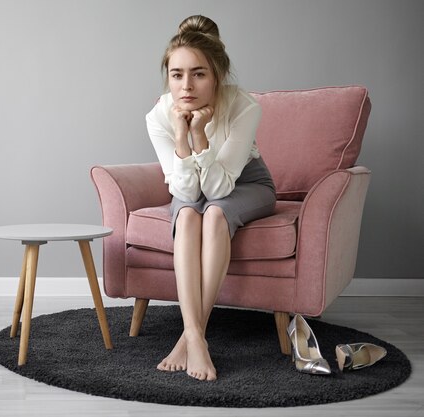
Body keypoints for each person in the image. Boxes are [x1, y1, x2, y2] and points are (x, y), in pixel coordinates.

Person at [145, 15, 276, 381]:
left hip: (246, 184)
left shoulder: (243, 106)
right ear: (168, 76)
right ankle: (196, 339)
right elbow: (187, 193)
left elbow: (219, 190)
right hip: (191, 183)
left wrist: (200, 134)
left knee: (215, 214)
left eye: (199, 73)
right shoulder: (158, 115)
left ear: (217, 74)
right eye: (177, 74)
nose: (186, 85)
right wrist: (181, 135)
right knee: (187, 216)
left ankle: (189, 339)